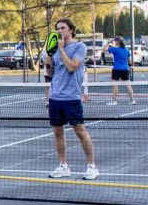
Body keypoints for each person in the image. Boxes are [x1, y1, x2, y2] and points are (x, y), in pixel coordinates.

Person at [47, 18, 98, 179]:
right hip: (55, 97)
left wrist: (61, 50)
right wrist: (48, 58)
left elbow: (72, 67)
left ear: (71, 30)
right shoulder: (54, 49)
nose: (59, 31)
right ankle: (63, 166)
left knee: (80, 131)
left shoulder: (79, 47)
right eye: (57, 28)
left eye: (62, 28)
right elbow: (50, 74)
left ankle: (91, 167)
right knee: (57, 132)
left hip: (71, 97)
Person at [105, 37, 136, 105]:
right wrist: (129, 67)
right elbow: (129, 59)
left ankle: (114, 101)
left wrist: (108, 42)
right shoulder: (126, 50)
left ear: (117, 42)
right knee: (128, 85)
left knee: (115, 85)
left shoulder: (114, 49)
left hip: (116, 69)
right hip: (125, 69)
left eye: (115, 41)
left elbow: (105, 49)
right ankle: (132, 100)